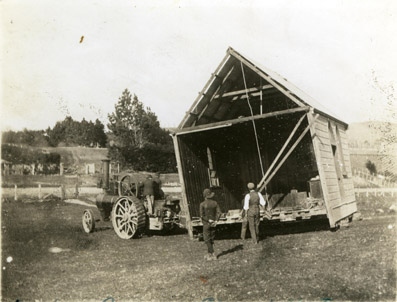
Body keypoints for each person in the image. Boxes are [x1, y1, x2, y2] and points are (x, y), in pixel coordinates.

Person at [200, 188, 222, 260]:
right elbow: (219, 213)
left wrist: (208, 220)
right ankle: (209, 254)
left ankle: (212, 254)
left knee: (206, 239)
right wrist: (216, 221)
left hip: (206, 223)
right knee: (211, 238)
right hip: (213, 223)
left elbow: (201, 215)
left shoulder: (202, 204)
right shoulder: (215, 203)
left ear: (204, 196)